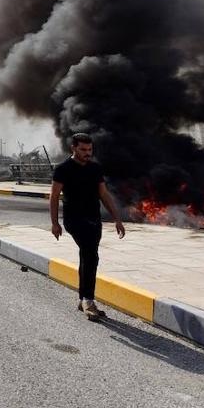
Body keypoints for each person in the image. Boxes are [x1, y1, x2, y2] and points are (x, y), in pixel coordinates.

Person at [50, 133, 126, 321]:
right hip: (74, 220)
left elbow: (104, 194)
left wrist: (117, 218)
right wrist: (54, 223)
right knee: (91, 255)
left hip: (94, 219)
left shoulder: (95, 168)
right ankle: (89, 301)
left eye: (90, 150)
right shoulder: (63, 169)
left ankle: (83, 297)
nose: (87, 153)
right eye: (83, 150)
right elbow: (54, 196)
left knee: (87, 256)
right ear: (73, 148)